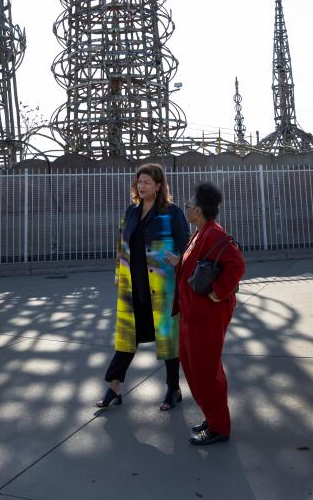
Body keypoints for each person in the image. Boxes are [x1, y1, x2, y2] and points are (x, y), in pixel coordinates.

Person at [95, 163, 190, 412]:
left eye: (147, 182)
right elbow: (121, 247)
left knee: (168, 338)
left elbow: (187, 245)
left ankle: (173, 389)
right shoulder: (130, 212)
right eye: (139, 181)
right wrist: (118, 274)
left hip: (161, 288)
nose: (142, 185)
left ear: (159, 186)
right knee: (126, 339)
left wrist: (180, 259)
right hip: (132, 288)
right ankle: (114, 387)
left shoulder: (172, 212)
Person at [176, 181, 245, 445]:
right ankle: (211, 415)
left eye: (190, 204)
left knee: (206, 370)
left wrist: (218, 292)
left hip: (207, 315)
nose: (187, 207)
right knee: (193, 367)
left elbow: (236, 265)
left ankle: (219, 427)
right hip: (191, 314)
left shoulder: (214, 234)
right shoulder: (199, 233)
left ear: (200, 209)